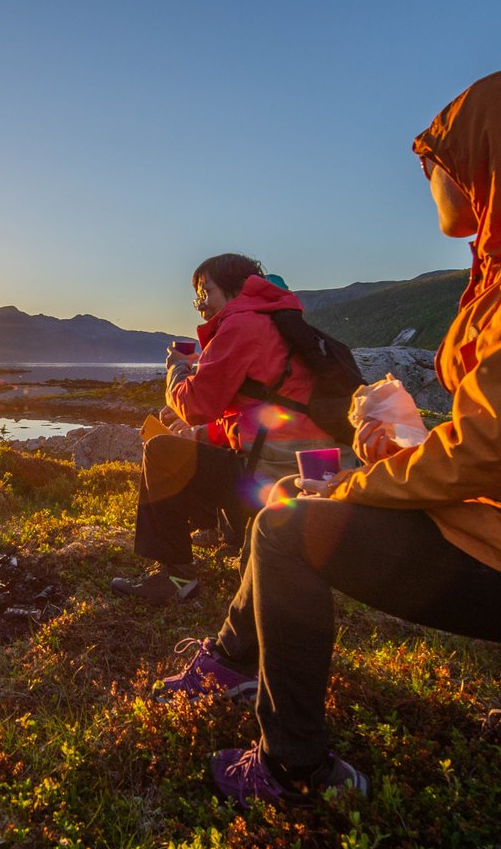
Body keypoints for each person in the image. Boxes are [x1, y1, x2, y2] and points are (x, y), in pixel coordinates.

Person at [158, 65, 501, 808]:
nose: (430, 176)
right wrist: (397, 451)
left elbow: (489, 447)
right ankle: (233, 663)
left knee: (288, 528)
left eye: (437, 160)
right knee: (296, 500)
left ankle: (294, 770)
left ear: (490, 157)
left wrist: (358, 485)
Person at [111, 253, 336, 605]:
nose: (200, 303)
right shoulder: (278, 324)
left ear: (236, 289)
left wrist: (178, 370)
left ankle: (176, 576)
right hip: (308, 473)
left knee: (161, 451)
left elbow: (195, 404)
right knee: (196, 443)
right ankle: (224, 532)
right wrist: (199, 430)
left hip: (274, 476)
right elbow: (257, 414)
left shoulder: (242, 325)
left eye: (206, 291)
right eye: (197, 296)